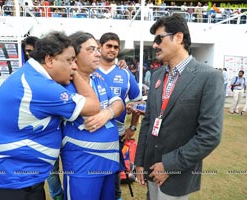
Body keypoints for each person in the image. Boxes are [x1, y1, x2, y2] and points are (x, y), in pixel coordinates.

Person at [0, 31, 101, 200]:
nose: (74, 66)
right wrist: (75, 74)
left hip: (17, 179)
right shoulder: (39, 86)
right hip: (19, 182)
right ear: (49, 60)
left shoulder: (29, 75)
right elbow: (94, 106)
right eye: (70, 61)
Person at [134, 14, 224, 200]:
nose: (155, 45)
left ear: (178, 37)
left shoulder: (208, 77)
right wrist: (140, 161)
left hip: (178, 175)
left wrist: (169, 166)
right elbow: (149, 121)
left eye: (159, 38)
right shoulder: (157, 75)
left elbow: (210, 135)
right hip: (150, 168)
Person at [60, 31, 125, 200]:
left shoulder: (98, 79)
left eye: (97, 49)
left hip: (108, 163)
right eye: (91, 49)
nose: (98, 54)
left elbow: (119, 104)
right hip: (82, 167)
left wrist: (107, 113)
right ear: (74, 55)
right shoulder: (63, 86)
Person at [96, 32, 142, 200]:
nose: (112, 50)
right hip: (92, 130)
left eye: (116, 47)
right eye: (109, 46)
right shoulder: (89, 70)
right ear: (100, 46)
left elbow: (137, 102)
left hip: (117, 133)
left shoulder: (125, 73)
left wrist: (132, 127)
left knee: (113, 171)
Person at [23, 34, 64, 200]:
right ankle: (58, 196)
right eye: (27, 51)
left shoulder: (55, 69)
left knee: (71, 164)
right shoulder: (25, 73)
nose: (30, 54)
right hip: (44, 133)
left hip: (66, 126)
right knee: (51, 170)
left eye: (33, 51)